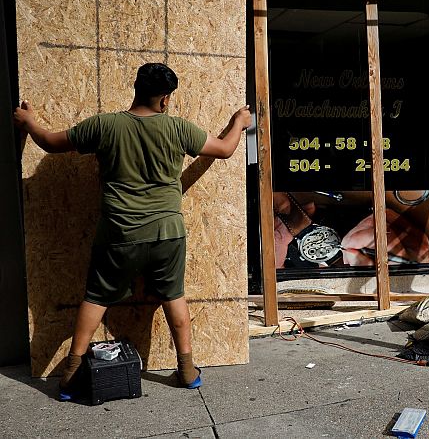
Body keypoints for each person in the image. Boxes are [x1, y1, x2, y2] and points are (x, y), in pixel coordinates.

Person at [13, 63, 251, 400]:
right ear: (166, 99)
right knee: (173, 296)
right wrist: (238, 123)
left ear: (136, 88)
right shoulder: (179, 129)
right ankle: (186, 369)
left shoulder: (105, 125)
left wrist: (29, 123)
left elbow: (51, 143)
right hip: (167, 233)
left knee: (96, 296)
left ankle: (69, 372)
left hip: (119, 233)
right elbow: (225, 150)